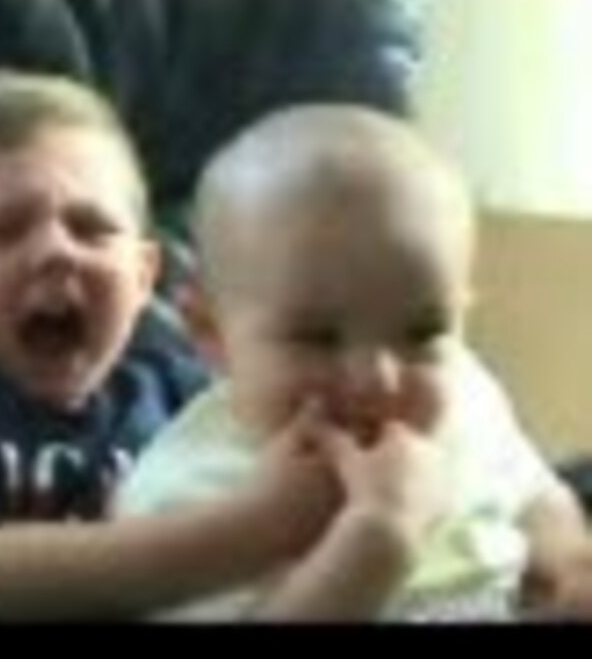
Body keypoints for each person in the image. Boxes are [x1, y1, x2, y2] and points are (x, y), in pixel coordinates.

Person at [0, 69, 349, 621]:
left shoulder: (183, 386)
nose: (57, 250)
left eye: (93, 228)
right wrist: (249, 533)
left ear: (145, 276)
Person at [116, 103, 592, 622]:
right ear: (211, 333)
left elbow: (535, 493)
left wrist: (570, 562)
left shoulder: (468, 397)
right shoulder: (187, 495)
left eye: (423, 332)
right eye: (318, 338)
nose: (378, 378)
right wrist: (374, 541)